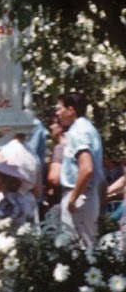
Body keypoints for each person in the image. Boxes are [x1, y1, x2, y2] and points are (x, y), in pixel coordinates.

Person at [55, 92, 104, 248]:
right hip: (88, 195)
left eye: (60, 108)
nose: (57, 113)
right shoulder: (88, 128)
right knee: (87, 249)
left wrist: (73, 199)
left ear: (71, 110)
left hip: (79, 196)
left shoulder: (78, 132)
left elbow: (87, 168)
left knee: (77, 252)